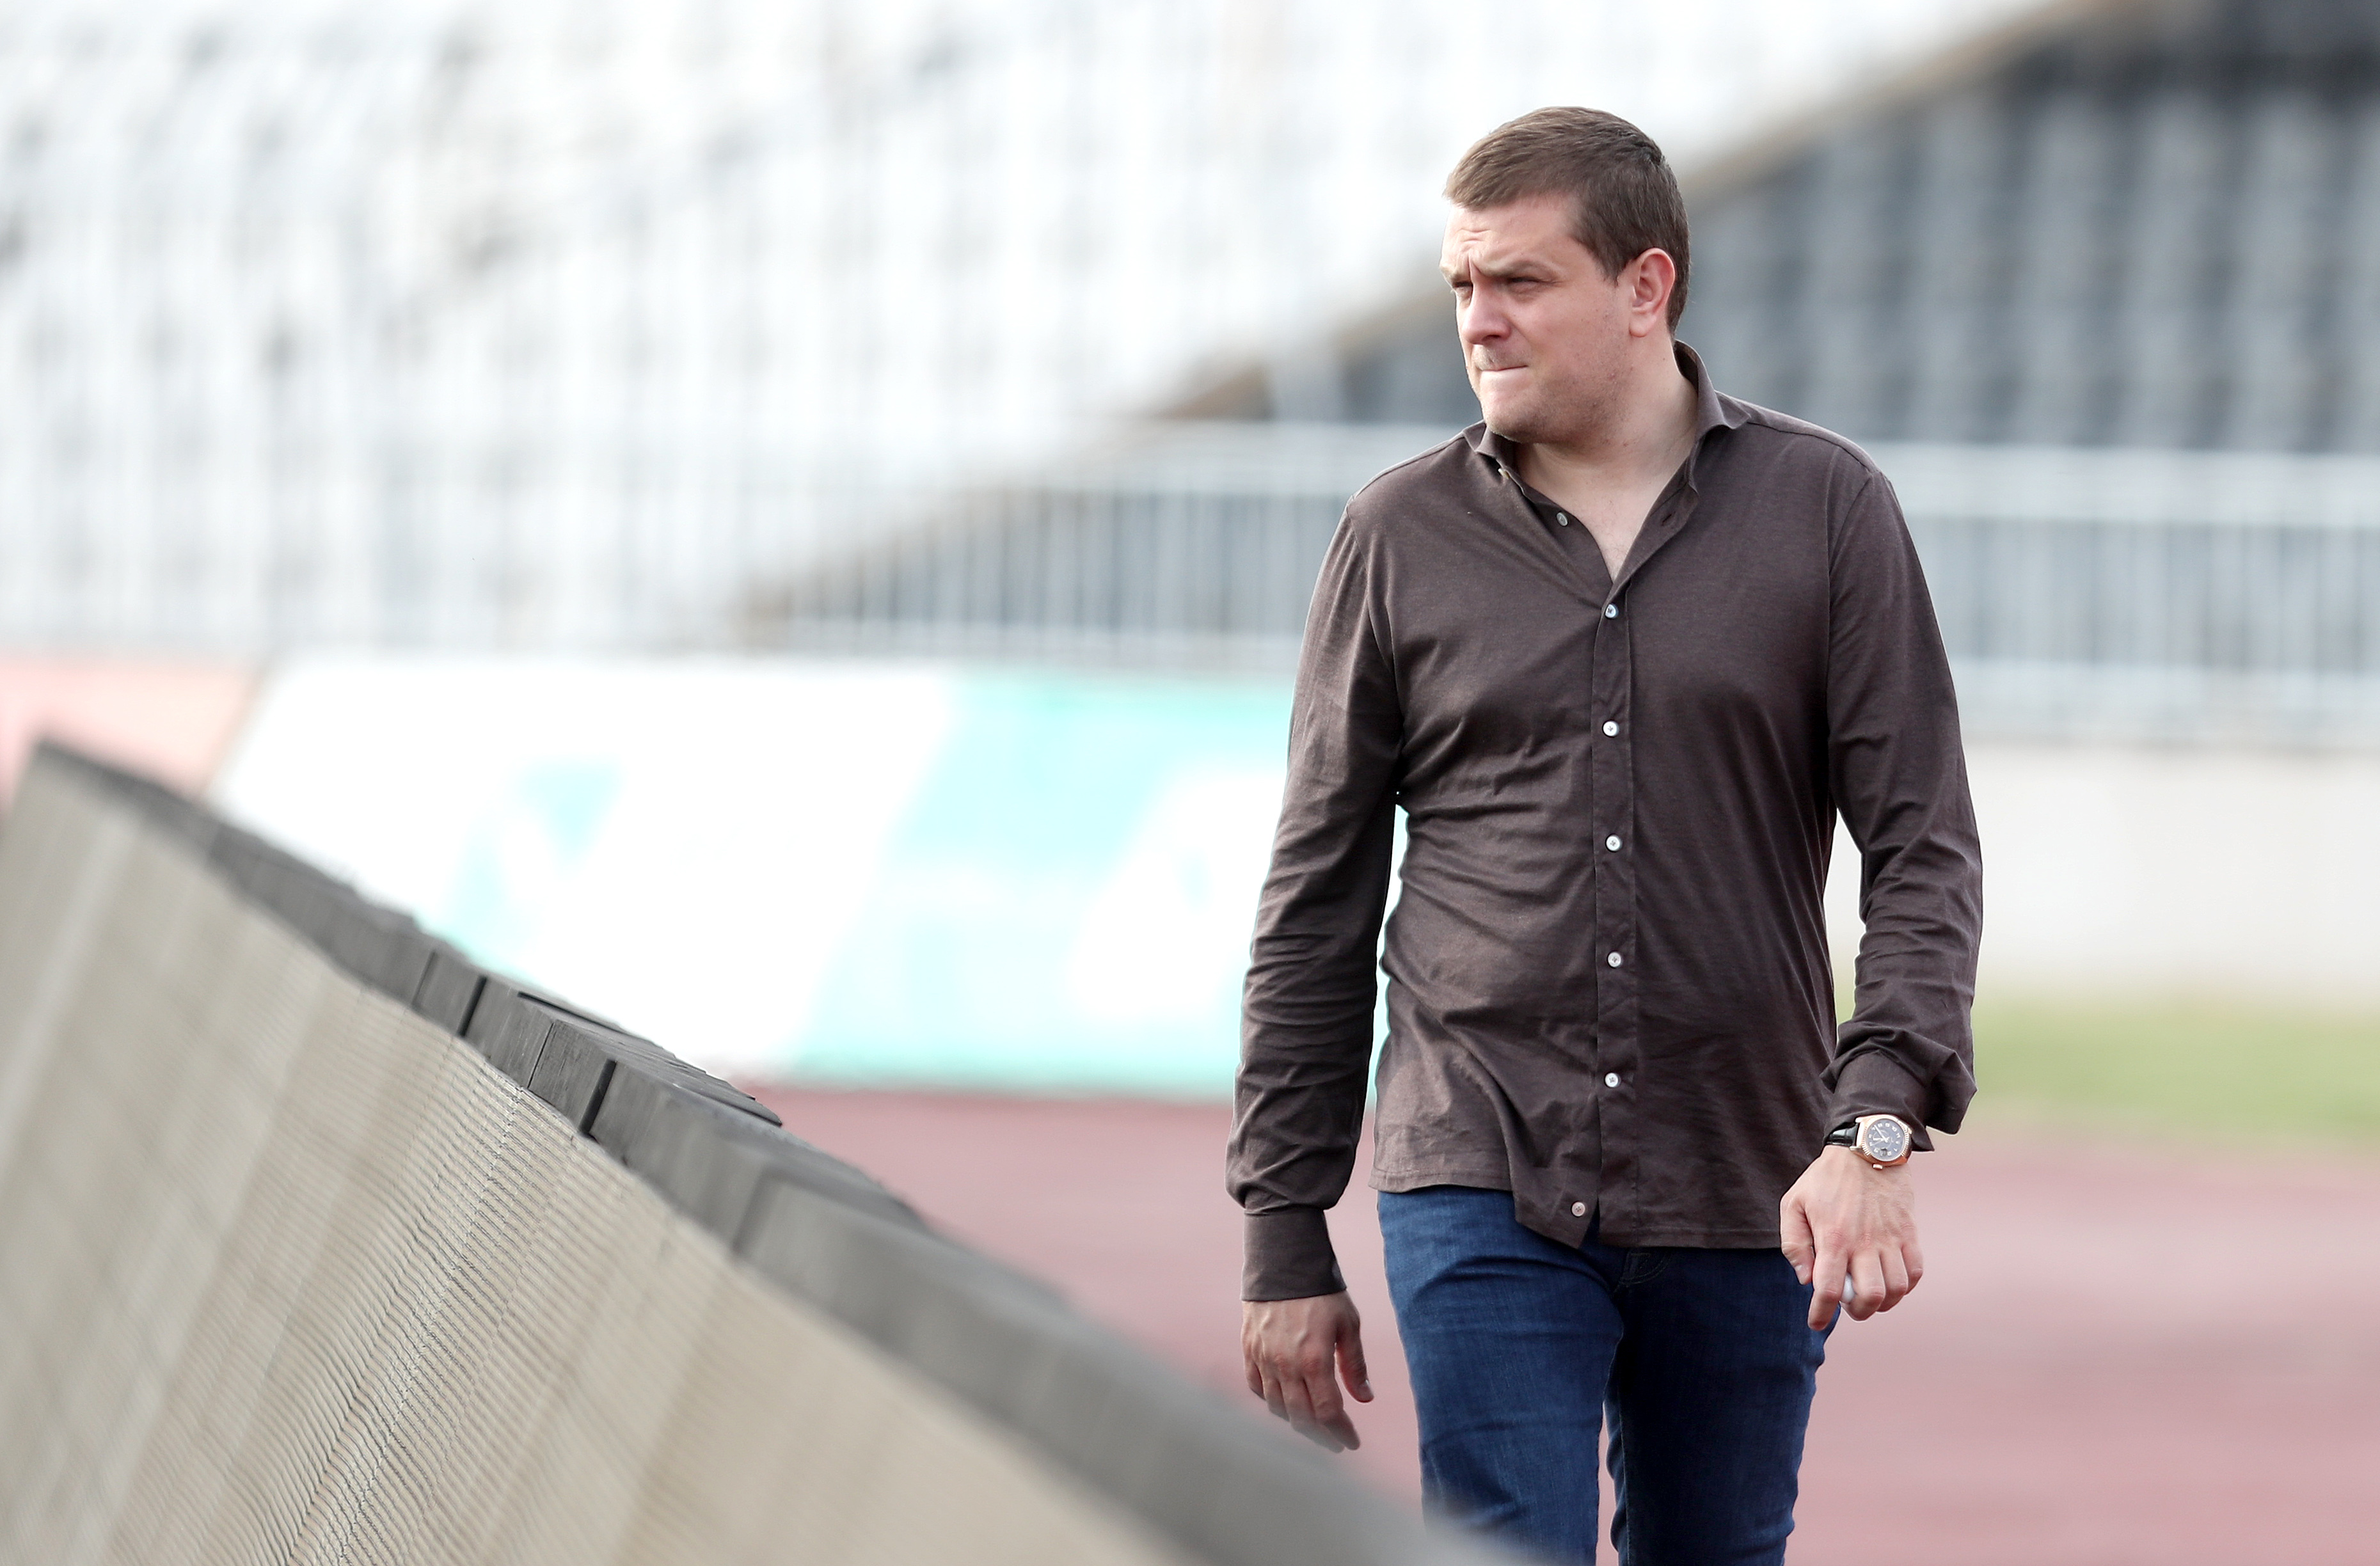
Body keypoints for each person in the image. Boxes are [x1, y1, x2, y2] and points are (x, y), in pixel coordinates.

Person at [1227, 107, 1982, 1565]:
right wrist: (1283, 1229)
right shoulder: (1397, 536)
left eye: (1520, 281)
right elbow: (1316, 900)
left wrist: (1877, 1127)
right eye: (1463, 285)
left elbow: (1924, 848)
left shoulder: (1828, 512)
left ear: (1646, 288)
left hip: (1747, 1175)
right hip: (1478, 1160)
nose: (1479, 320)